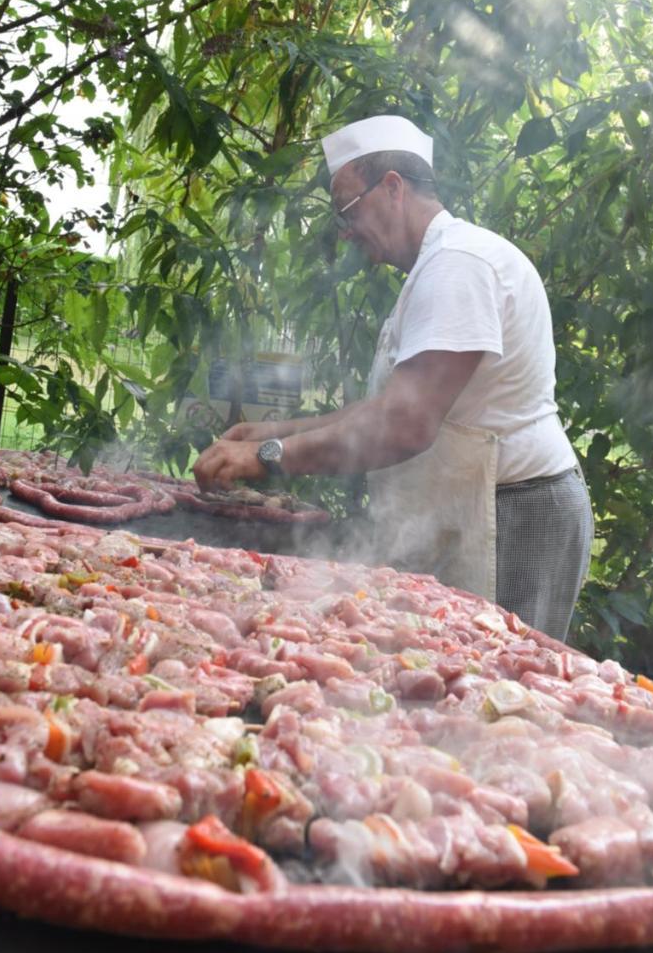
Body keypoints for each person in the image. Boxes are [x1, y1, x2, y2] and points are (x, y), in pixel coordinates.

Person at [193, 114, 593, 640]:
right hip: (482, 504)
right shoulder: (436, 266)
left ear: (393, 187)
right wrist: (276, 433)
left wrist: (267, 460)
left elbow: (405, 425)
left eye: (347, 209)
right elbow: (385, 406)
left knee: (506, 685)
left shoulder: (458, 264)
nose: (345, 229)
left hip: (514, 514)